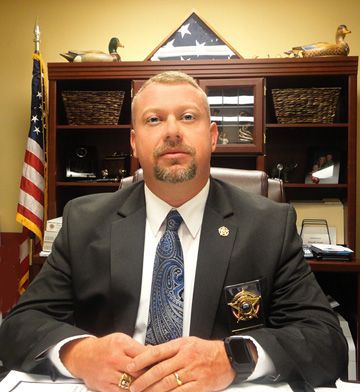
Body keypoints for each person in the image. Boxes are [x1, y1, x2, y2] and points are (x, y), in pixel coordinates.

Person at [0, 71, 348, 392]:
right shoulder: (84, 221)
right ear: (134, 143)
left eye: (188, 117)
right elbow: (19, 327)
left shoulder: (269, 225)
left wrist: (232, 358)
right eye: (154, 119)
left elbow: (325, 341)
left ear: (212, 136)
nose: (171, 131)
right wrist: (80, 353)